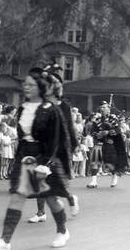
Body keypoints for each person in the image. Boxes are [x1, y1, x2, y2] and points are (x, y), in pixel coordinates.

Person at [0, 67, 71, 250]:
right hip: (25, 158)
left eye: (31, 85)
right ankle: (5, 240)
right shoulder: (23, 108)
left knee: (51, 199)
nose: (26, 87)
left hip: (44, 159)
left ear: (40, 87)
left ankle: (63, 231)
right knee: (18, 197)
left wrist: (46, 164)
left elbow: (56, 140)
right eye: (25, 84)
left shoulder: (52, 110)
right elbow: (22, 136)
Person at [28, 64, 79, 224]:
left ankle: (71, 199)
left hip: (59, 149)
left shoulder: (64, 106)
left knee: (57, 185)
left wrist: (71, 148)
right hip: (42, 148)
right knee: (40, 180)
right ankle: (41, 212)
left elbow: (69, 130)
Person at [87, 101, 127, 188]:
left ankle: (114, 177)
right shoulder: (96, 120)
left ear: (109, 110)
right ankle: (94, 181)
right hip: (99, 142)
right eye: (101, 107)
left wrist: (108, 132)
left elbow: (118, 130)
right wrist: (97, 135)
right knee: (95, 159)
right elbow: (92, 132)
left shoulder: (113, 119)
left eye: (104, 107)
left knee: (111, 161)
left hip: (110, 143)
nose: (102, 109)